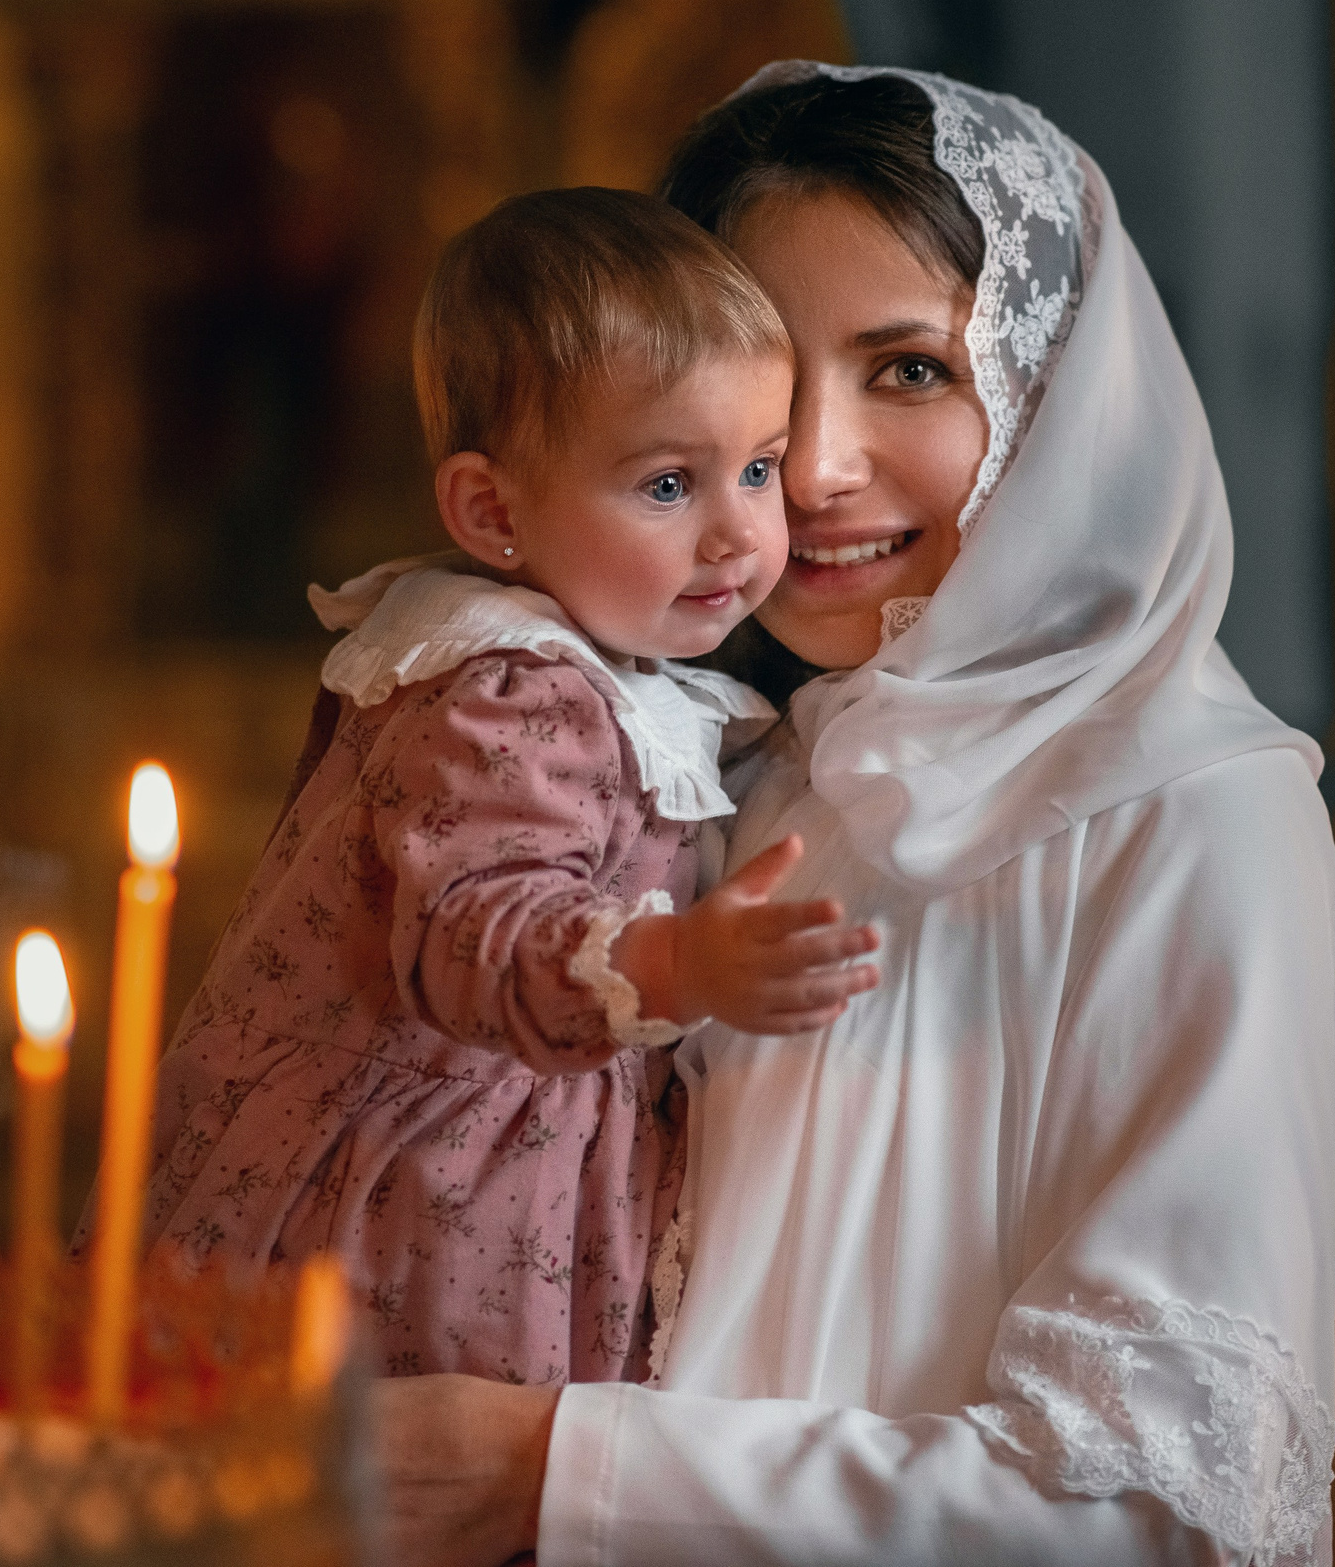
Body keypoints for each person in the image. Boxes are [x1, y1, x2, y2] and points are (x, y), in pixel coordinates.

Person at [374, 67, 1335, 1565]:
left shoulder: (1197, 825)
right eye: (770, 394)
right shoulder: (745, 779)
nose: (816, 473)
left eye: (909, 370)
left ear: (1056, 402)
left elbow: (1153, 1516)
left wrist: (552, 1471)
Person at [135, 187, 881, 1389]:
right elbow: (471, 925)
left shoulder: (580, 666)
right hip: (435, 1196)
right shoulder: (517, 689)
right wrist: (676, 966)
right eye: (666, 485)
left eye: (757, 466)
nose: (741, 532)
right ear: (492, 510)